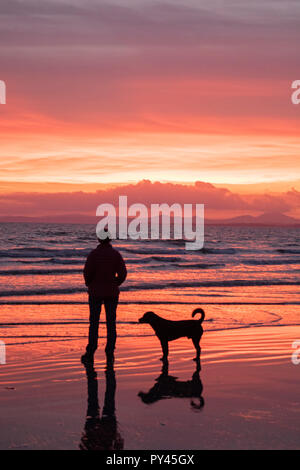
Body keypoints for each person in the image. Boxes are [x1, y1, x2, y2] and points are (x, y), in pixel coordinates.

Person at [81, 229, 127, 364]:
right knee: (111, 323)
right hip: (111, 292)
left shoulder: (94, 254)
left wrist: (89, 283)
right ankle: (110, 350)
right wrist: (116, 283)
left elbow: (87, 272)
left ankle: (91, 350)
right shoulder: (115, 254)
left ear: (99, 239)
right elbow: (123, 273)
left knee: (94, 322)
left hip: (95, 291)